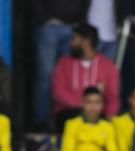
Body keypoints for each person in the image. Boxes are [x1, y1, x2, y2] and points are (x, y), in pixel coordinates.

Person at [31, 0, 91, 129]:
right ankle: (42, 122)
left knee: (68, 77)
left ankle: (65, 120)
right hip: (49, 27)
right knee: (46, 76)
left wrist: (81, 22)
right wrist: (44, 19)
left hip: (73, 28)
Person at [51, 23, 119, 130]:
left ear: (85, 42)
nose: (70, 43)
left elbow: (112, 97)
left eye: (74, 39)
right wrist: (84, 106)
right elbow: (58, 91)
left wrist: (110, 119)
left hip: (98, 117)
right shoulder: (63, 63)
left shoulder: (107, 66)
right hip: (69, 114)